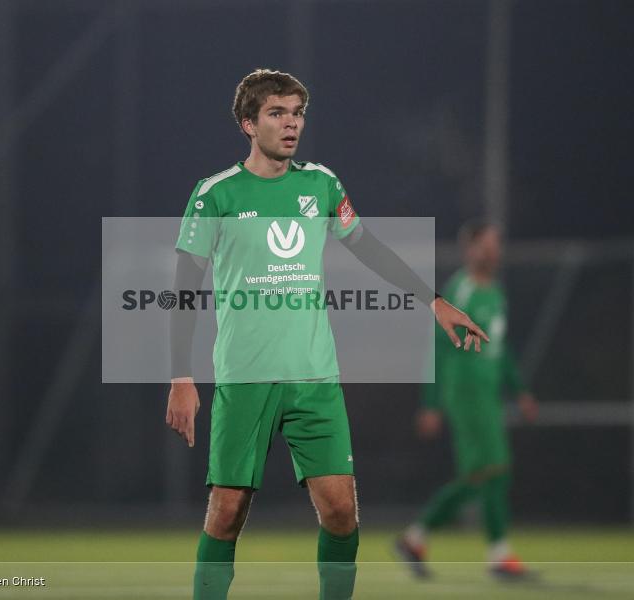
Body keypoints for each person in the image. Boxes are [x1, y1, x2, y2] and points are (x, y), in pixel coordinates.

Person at [165, 69, 489, 600]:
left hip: (314, 378)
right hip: (245, 378)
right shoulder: (215, 195)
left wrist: (433, 300)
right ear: (248, 123)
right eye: (277, 113)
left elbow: (368, 246)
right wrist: (181, 375)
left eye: (297, 113)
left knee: (341, 511)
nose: (291, 124)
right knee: (227, 512)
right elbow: (183, 291)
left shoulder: (321, 185)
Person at [395, 221, 538, 579]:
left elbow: (500, 350)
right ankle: (499, 555)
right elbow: (439, 346)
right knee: (493, 468)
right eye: (486, 245)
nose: (493, 251)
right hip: (465, 391)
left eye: (496, 245)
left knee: (481, 475)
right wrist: (431, 402)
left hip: (487, 394)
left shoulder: (496, 293)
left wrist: (518, 389)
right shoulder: (461, 288)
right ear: (470, 249)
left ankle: (415, 538)